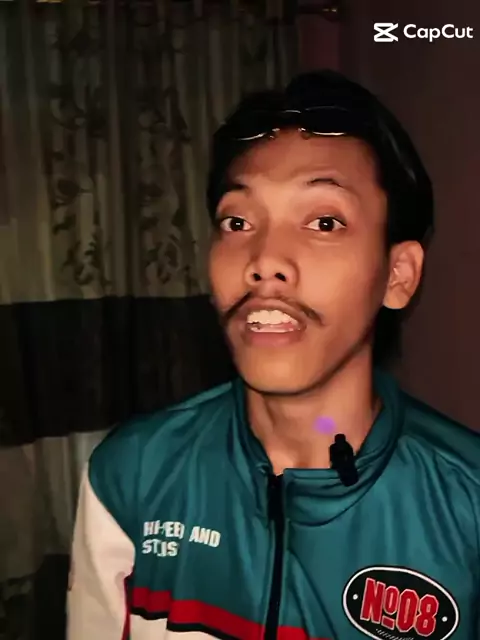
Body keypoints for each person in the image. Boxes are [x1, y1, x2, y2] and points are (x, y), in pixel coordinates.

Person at [67, 71, 480, 640]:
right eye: (237, 222)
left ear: (398, 275)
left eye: (324, 222)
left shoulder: (467, 502)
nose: (264, 260)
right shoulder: (131, 474)